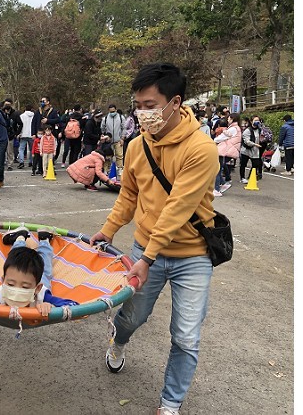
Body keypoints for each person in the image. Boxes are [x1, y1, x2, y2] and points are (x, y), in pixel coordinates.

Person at [89, 62, 219, 415]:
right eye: (138, 105)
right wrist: (108, 229)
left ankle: (170, 404)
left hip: (193, 254)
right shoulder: (136, 146)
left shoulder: (201, 148)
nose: (143, 113)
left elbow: (178, 208)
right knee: (131, 318)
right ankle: (118, 342)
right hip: (145, 248)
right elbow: (128, 196)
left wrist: (147, 259)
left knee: (186, 336)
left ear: (175, 102)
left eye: (150, 105)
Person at [0, 226, 78, 317]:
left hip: (39, 278)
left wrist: (52, 307)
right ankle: (19, 238)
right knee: (16, 256)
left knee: (45, 268)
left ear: (37, 288)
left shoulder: (42, 295)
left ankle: (44, 240)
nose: (16, 290)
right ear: (3, 281)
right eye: (10, 284)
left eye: (25, 287)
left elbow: (74, 306)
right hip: (30, 278)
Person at [212, 113, 241, 196]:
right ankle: (223, 183)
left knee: (217, 170)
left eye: (228, 118)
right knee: (219, 168)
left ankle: (216, 189)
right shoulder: (236, 128)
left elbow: (221, 137)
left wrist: (214, 140)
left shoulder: (233, 129)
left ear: (232, 119)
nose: (227, 120)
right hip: (225, 150)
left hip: (224, 150)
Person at [101, 105, 126, 171]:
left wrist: (122, 138)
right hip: (108, 141)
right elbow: (102, 129)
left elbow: (124, 128)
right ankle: (107, 170)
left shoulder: (121, 117)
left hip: (118, 140)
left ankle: (120, 169)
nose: (112, 113)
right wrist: (104, 137)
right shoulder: (105, 118)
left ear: (116, 110)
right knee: (107, 157)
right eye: (111, 111)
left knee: (119, 156)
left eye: (113, 111)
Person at [239, 116, 262, 183]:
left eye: (258, 120)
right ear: (251, 121)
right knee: (243, 164)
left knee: (255, 164)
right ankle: (242, 178)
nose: (257, 122)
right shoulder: (247, 130)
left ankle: (251, 177)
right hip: (246, 150)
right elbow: (247, 141)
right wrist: (255, 144)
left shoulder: (259, 130)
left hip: (255, 150)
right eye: (255, 120)